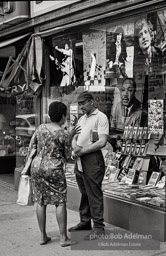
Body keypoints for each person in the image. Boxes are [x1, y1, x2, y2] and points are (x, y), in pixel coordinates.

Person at [23, 102, 80, 247]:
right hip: (54, 168)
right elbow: (68, 157)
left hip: (37, 166)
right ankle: (63, 238)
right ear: (63, 116)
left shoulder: (41, 127)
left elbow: (31, 146)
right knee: (59, 201)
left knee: (40, 201)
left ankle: (43, 236)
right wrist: (72, 138)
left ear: (49, 114)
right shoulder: (63, 133)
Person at [68, 91, 109, 240]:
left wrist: (81, 151)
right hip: (80, 158)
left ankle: (99, 227)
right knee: (84, 192)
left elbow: (102, 142)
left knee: (94, 193)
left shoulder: (101, 117)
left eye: (83, 103)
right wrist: (75, 147)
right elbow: (76, 138)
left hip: (92, 159)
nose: (81, 107)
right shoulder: (82, 119)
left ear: (91, 101)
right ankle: (85, 222)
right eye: (79, 104)